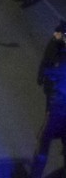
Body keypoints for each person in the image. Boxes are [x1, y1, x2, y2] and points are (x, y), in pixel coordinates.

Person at [30, 45, 66, 178]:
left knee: (43, 142)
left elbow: (49, 72)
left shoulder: (63, 64)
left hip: (58, 111)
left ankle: (35, 175)